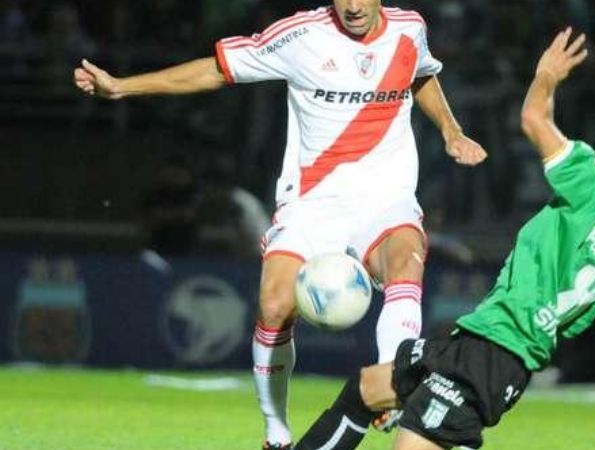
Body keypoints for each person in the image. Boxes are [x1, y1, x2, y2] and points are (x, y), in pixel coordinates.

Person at [73, 1, 487, 449]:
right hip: (312, 203)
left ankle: (390, 383)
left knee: (407, 260)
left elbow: (421, 73)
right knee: (273, 306)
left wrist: (450, 129)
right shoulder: (299, 36)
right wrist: (122, 88)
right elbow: (216, 70)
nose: (350, 6)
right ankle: (276, 431)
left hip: (384, 200)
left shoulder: (409, 28)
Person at [292, 28, 595, 450]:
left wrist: (546, 76)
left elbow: (534, 118)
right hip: (486, 348)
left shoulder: (593, 185)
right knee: (368, 389)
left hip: (493, 354)